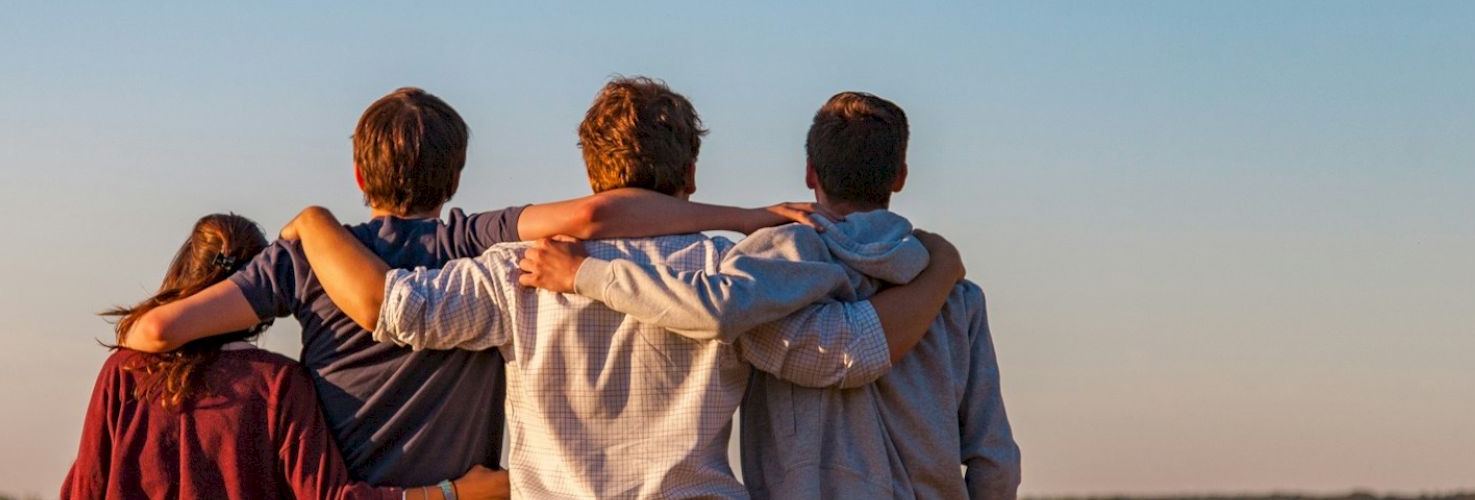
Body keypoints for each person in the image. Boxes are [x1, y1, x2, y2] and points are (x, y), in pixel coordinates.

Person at [279, 76, 965, 499]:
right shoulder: (728, 270)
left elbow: (397, 310)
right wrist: (939, 270)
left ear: (590, 171)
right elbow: (840, 354)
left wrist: (313, 226)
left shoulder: (520, 268)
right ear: (690, 175)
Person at [116, 87, 820, 486]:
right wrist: (748, 216)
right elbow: (601, 214)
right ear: (455, 178)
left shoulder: (311, 258)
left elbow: (154, 334)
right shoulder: (477, 239)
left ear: (359, 176)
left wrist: (272, 372)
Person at [519, 91, 1022, 498]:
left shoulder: (771, 271)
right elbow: (994, 456)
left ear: (810, 173)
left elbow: (722, 310)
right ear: (900, 175)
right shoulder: (958, 297)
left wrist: (587, 273)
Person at [61, 213, 508, 500]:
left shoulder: (124, 371)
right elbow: (332, 498)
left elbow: (86, 489)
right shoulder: (276, 383)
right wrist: (454, 493)